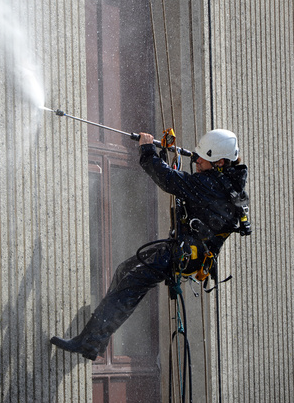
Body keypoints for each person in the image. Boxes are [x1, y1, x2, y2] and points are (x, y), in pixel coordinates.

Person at [50, 129, 250, 361]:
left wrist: (147, 150)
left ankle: (89, 342)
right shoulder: (225, 184)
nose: (197, 160)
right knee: (126, 270)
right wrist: (161, 155)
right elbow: (183, 184)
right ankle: (96, 339)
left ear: (220, 163)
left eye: (203, 158)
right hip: (183, 249)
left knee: (131, 284)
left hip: (184, 255)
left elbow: (171, 181)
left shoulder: (212, 185)